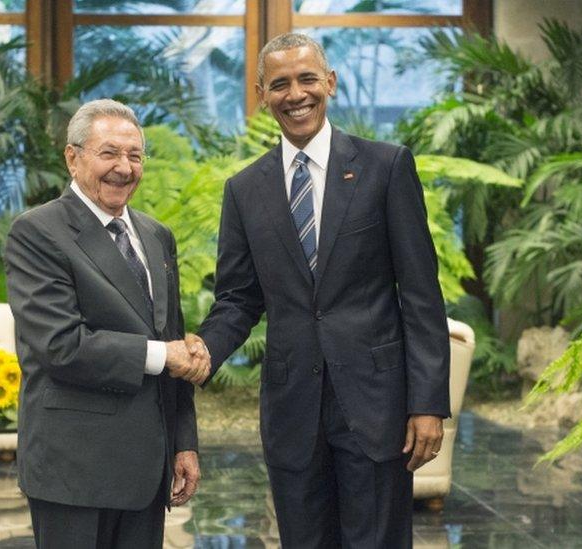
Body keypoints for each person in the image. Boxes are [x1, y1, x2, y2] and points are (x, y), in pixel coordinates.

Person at [191, 33, 451, 547]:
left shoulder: (386, 167)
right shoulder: (244, 190)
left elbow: (420, 294)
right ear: (262, 95)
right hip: (293, 412)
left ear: (329, 83)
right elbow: (239, 299)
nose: (296, 94)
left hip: (377, 408)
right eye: (280, 84)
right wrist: (203, 348)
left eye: (307, 79)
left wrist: (428, 404)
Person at [5, 98, 210, 548]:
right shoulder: (37, 232)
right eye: (109, 153)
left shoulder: (157, 236)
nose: (124, 167)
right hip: (74, 470)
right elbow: (61, 345)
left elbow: (171, 338)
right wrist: (164, 355)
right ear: (72, 158)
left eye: (135, 155)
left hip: (147, 473)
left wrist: (184, 443)